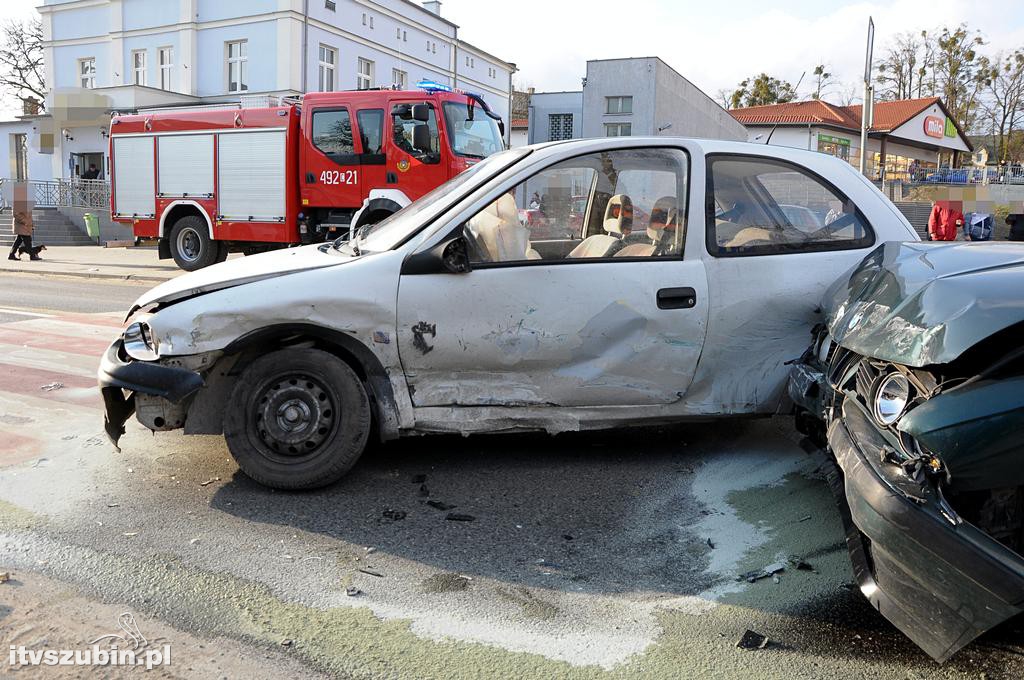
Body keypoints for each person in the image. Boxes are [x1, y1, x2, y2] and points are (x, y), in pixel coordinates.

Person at [8, 183, 41, 261]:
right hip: (21, 225)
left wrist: (31, 224)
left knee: (19, 240)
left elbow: (28, 215)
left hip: (26, 225)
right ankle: (32, 255)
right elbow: (16, 214)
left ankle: (11, 255)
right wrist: (25, 222)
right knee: (28, 240)